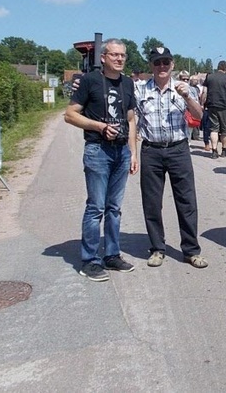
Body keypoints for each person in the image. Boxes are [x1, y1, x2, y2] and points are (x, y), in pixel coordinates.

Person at [65, 38, 138, 282]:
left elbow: (130, 119)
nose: (119, 59)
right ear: (103, 58)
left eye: (122, 55)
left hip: (121, 152)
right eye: (114, 55)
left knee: (114, 208)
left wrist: (133, 152)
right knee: (96, 207)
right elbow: (70, 115)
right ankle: (89, 260)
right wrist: (99, 126)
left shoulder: (128, 83)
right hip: (98, 150)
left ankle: (112, 254)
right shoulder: (89, 81)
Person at [135, 47, 208, 269]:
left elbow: (199, 116)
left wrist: (187, 96)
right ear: (152, 66)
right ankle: (157, 248)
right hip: (151, 150)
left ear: (172, 64)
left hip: (178, 149)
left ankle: (191, 250)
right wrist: (131, 152)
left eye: (166, 62)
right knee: (152, 203)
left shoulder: (183, 89)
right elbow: (132, 121)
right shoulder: (140, 90)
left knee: (186, 201)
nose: (162, 67)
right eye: (157, 63)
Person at [203, 60, 226, 159]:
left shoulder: (209, 77)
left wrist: (202, 103)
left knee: (214, 128)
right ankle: (224, 150)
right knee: (225, 129)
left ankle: (214, 151)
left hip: (212, 105)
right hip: (225, 106)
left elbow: (204, 92)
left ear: (218, 67)